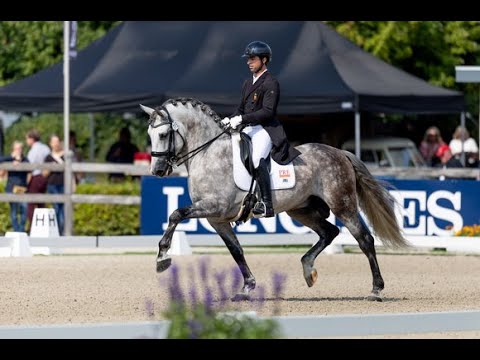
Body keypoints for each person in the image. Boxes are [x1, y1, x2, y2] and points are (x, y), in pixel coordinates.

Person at [221, 41, 301, 218]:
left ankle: (266, 204)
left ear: (264, 60)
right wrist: (230, 118)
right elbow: (241, 108)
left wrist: (241, 119)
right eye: (248, 59)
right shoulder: (247, 83)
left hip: (265, 129)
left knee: (257, 159)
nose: (249, 62)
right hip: (248, 129)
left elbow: (267, 112)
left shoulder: (271, 82)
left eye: (252, 59)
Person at [0, 141, 29, 232]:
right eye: (16, 148)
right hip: (11, 187)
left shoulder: (25, 159)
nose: (18, 150)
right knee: (14, 211)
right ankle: (17, 230)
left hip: (21, 188)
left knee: (24, 209)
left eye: (20, 148)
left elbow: (30, 167)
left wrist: (20, 162)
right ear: (13, 149)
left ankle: (21, 230)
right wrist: (12, 158)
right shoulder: (9, 158)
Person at [25, 129, 51, 231]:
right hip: (44, 177)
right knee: (41, 203)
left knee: (31, 204)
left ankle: (33, 228)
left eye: (27, 138)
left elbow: (29, 166)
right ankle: (43, 227)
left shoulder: (33, 150)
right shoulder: (45, 148)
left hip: (35, 177)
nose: (26, 141)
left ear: (32, 139)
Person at [43, 135, 67, 235]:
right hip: (52, 185)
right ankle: (57, 232)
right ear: (51, 144)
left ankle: (62, 232)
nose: (56, 144)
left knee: (63, 210)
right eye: (54, 142)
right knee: (56, 208)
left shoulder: (66, 156)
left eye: (57, 141)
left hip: (64, 184)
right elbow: (44, 174)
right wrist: (50, 168)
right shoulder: (48, 157)